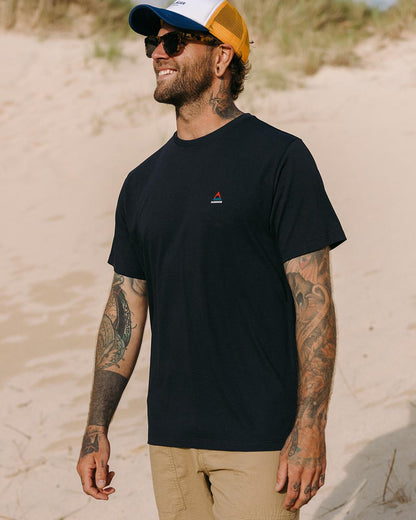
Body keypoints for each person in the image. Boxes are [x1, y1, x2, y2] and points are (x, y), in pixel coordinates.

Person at [76, 1, 347, 518]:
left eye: (174, 41)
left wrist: (310, 425)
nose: (158, 53)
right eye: (153, 42)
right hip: (170, 441)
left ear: (221, 58)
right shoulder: (140, 183)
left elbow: (314, 303)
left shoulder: (280, 159)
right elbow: (124, 310)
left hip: (259, 439)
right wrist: (96, 426)